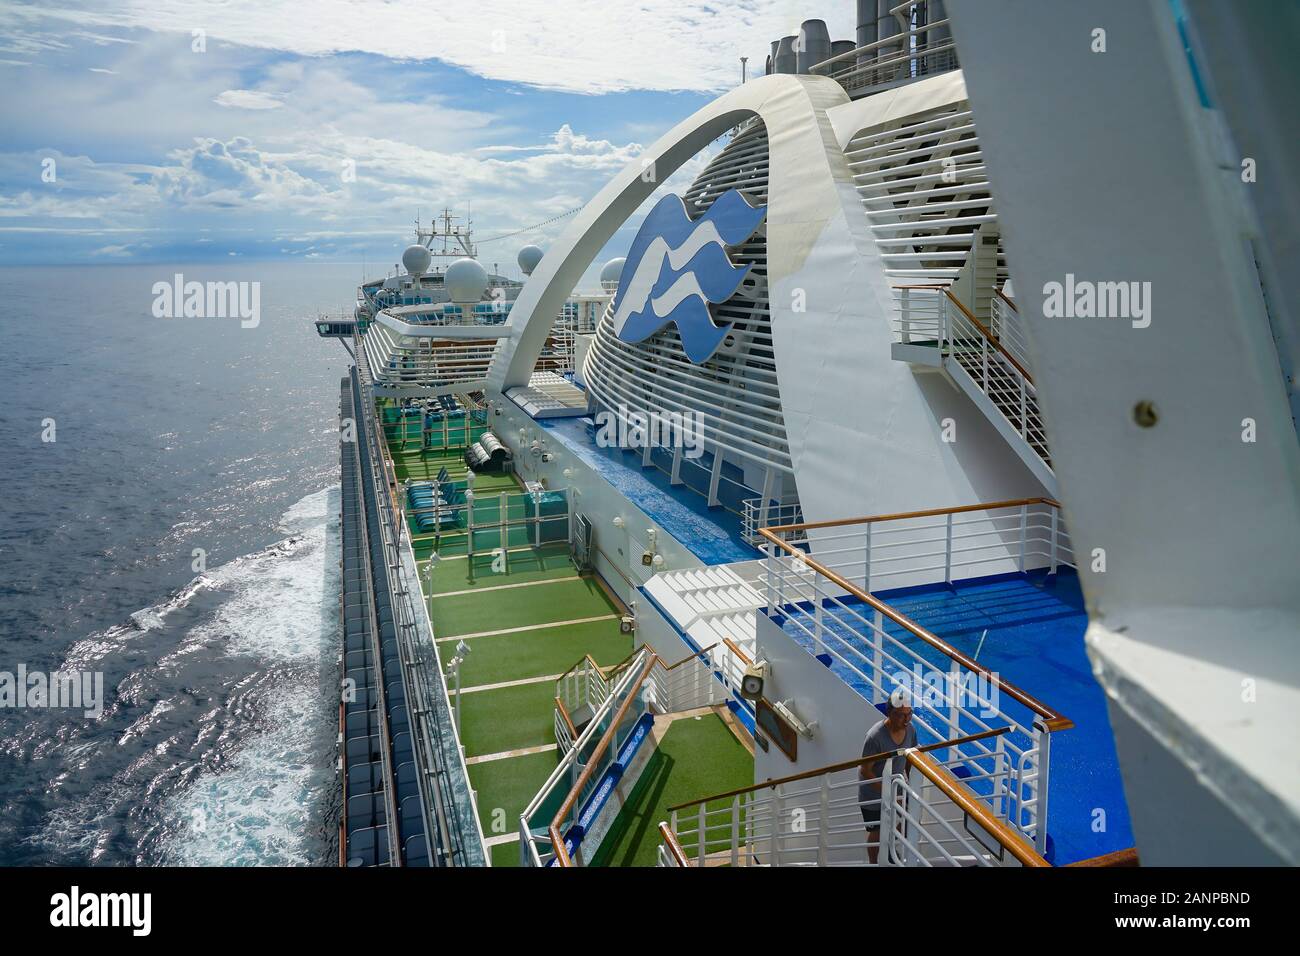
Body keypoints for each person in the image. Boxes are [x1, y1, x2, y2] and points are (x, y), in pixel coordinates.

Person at [859, 688, 917, 864]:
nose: (906, 719)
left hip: (896, 789)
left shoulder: (911, 730)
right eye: (901, 715)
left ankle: (890, 850)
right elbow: (865, 770)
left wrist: (910, 784)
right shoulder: (874, 736)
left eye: (909, 714)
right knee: (876, 832)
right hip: (872, 794)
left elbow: (909, 758)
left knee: (906, 822)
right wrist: (888, 793)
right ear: (890, 713)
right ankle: (874, 863)